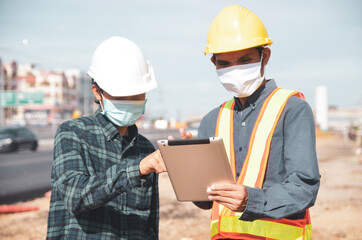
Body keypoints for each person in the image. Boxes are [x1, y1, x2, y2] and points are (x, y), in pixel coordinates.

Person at [178, 5, 320, 240]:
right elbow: (205, 202)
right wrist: (188, 170)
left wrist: (250, 200)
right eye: (225, 64)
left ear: (264, 56)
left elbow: (304, 189)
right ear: (214, 63)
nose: (235, 70)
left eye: (244, 60)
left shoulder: (293, 110)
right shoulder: (212, 120)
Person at [46, 36, 166, 239]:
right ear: (97, 92)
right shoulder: (73, 133)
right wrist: (137, 169)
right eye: (120, 96)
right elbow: (76, 196)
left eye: (136, 94)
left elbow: (149, 226)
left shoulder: (145, 149)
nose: (130, 101)